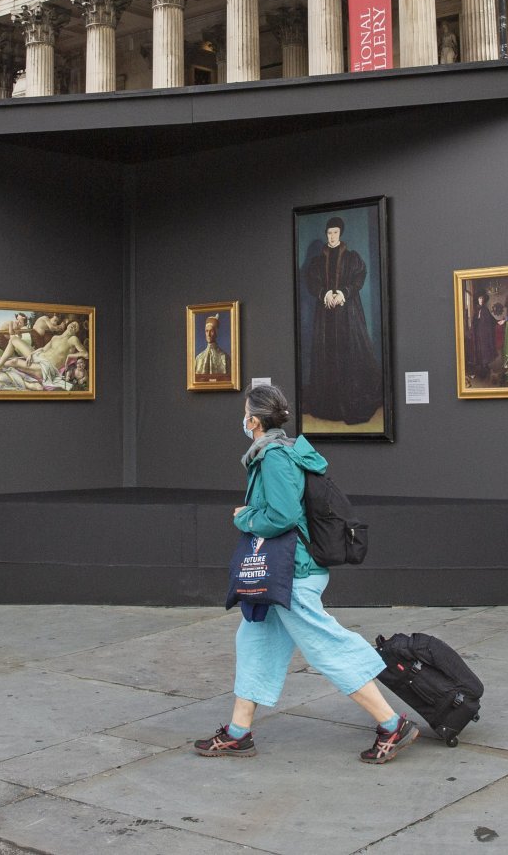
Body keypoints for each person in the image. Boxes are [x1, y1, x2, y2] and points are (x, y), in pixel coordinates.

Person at [195, 384, 419, 765]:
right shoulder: (282, 451)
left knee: (326, 646)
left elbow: (281, 516)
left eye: (246, 411)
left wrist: (244, 516)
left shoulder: (274, 458)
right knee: (254, 641)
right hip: (283, 571)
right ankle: (238, 733)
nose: (243, 418)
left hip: (291, 572)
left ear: (254, 420)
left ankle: (392, 723)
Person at [302, 217, 383, 425]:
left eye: (335, 233)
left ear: (341, 234)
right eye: (329, 233)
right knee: (326, 355)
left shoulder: (352, 257)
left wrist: (343, 293)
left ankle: (349, 402)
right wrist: (325, 293)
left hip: (348, 315)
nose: (332, 236)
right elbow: (312, 281)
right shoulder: (317, 261)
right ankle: (328, 405)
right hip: (325, 316)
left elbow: (359, 277)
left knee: (349, 354)